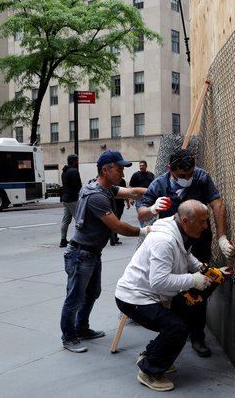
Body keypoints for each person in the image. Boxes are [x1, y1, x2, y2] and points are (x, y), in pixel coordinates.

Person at [116, 199, 232, 392]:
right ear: (186, 221)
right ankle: (149, 371)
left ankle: (150, 355)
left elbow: (187, 257)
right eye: (202, 221)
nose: (205, 226)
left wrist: (208, 271)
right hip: (134, 299)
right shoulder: (165, 241)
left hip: (151, 295)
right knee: (176, 328)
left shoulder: (178, 230)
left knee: (181, 317)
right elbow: (159, 282)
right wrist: (194, 280)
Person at [137, 149, 235, 357]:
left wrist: (222, 237)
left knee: (198, 293)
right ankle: (172, 333)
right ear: (171, 170)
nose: (188, 179)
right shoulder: (159, 185)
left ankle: (197, 335)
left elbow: (217, 204)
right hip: (171, 246)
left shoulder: (201, 177)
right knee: (171, 288)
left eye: (190, 174)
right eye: (182, 176)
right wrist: (153, 209)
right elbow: (142, 212)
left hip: (198, 242)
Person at [60, 150, 149, 353]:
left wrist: (159, 189)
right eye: (119, 170)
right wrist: (144, 231)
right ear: (105, 170)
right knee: (74, 297)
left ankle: (81, 328)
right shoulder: (97, 197)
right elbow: (118, 227)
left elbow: (133, 192)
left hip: (91, 254)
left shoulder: (105, 187)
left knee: (92, 293)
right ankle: (68, 336)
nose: (123, 174)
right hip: (81, 255)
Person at [60, 154, 82, 247]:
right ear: (73, 161)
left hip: (65, 199)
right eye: (77, 161)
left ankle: (63, 240)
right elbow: (77, 186)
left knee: (65, 221)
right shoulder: (74, 171)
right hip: (73, 199)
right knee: (79, 220)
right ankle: (78, 240)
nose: (78, 162)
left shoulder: (64, 172)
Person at [129, 160, 155, 227]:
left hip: (149, 198)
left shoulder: (151, 175)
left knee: (150, 214)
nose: (141, 167)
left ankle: (149, 227)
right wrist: (131, 198)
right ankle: (143, 228)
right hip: (139, 198)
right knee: (141, 215)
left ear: (146, 166)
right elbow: (131, 187)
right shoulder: (135, 175)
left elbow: (154, 186)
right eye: (140, 166)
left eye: (143, 166)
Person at [110, 177, 130, 245]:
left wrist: (127, 202)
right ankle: (113, 238)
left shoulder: (120, 180)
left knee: (114, 220)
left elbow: (125, 192)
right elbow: (125, 192)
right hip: (117, 203)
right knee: (116, 221)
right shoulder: (120, 180)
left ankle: (113, 237)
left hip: (116, 203)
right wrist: (127, 202)